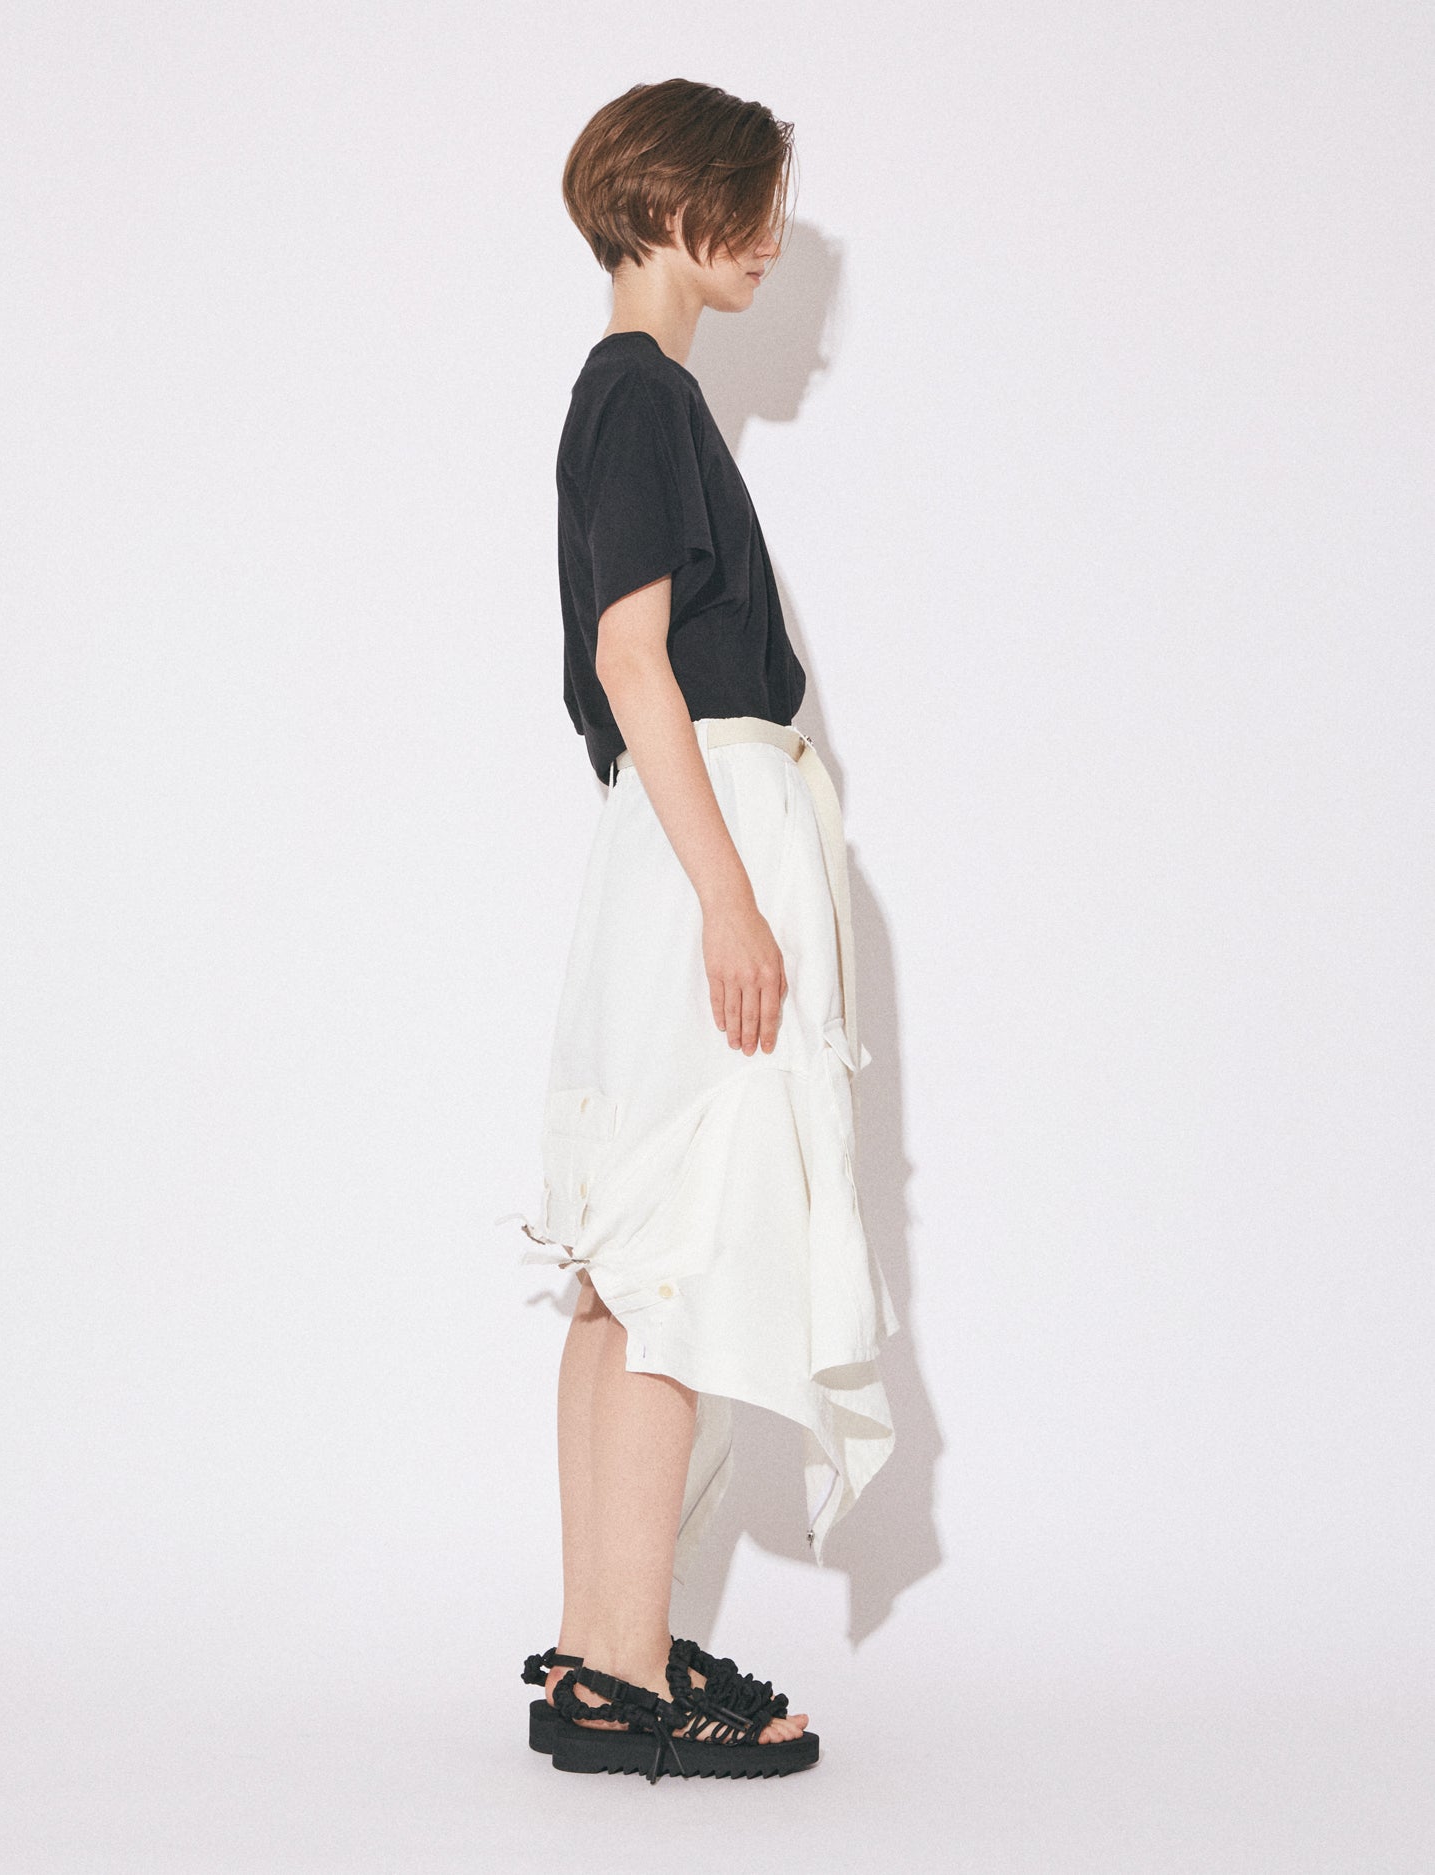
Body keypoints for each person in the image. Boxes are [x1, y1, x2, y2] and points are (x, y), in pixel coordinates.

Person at [499, 78, 897, 1782]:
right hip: (699, 838)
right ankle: (624, 1665)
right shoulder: (643, 396)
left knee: (623, 1267)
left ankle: (605, 1655)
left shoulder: (627, 397)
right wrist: (734, 897)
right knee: (668, 1266)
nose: (773, 246)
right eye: (754, 210)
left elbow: (622, 667)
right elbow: (631, 656)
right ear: (676, 205)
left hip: (669, 839)